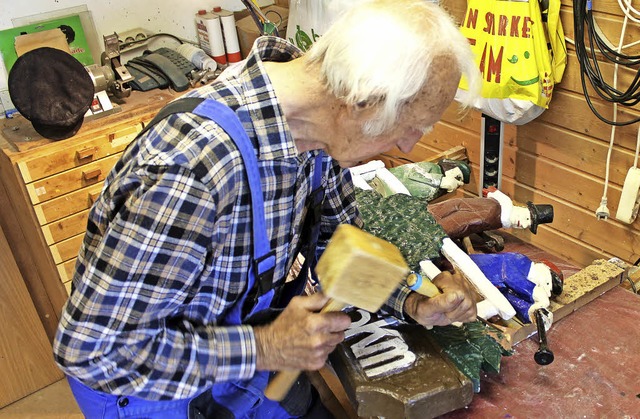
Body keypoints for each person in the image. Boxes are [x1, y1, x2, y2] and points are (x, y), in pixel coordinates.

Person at [53, 0, 480, 417]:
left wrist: (410, 300)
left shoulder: (319, 132)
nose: (408, 146)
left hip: (237, 347)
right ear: (360, 100)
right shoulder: (192, 170)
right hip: (146, 383)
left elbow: (340, 246)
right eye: (409, 127)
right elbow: (95, 353)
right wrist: (266, 347)